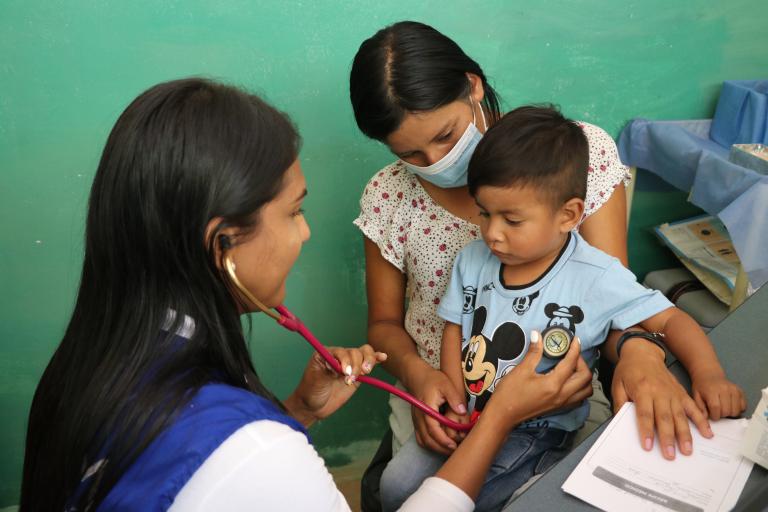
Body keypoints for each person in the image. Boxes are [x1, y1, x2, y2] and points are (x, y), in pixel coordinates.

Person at [20, 78, 594, 512]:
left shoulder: (93, 361)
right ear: (223, 244)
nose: (306, 231)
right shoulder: (257, 453)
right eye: (294, 211)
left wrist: (295, 412)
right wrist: (501, 418)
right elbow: (241, 464)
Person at [349, 25, 713, 504]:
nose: (435, 160)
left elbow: (613, 302)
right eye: (410, 154)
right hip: (445, 391)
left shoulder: (574, 157)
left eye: (445, 135)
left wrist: (641, 354)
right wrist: (421, 376)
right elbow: (384, 325)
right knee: (405, 490)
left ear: (473, 86)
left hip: (556, 398)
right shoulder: (390, 197)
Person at [379, 106, 746, 511]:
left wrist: (709, 375)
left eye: (512, 220)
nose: (492, 234)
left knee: (480, 499)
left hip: (538, 427)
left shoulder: (596, 275)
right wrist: (453, 399)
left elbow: (672, 319)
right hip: (469, 416)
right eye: (484, 213)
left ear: (568, 215)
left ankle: (546, 473)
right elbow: (454, 327)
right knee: (394, 487)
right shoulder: (473, 260)